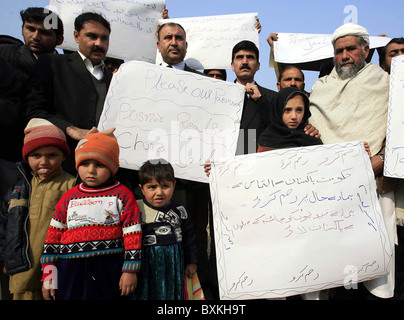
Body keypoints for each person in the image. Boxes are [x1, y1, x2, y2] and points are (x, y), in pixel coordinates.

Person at [309, 23, 392, 299]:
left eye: (351, 49)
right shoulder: (321, 87)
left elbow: (399, 132)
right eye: (339, 50)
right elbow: (310, 126)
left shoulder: (386, 83)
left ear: (366, 50)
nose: (345, 55)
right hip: (329, 192)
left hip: (373, 185)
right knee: (336, 267)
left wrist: (381, 159)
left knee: (374, 266)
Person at [40, 128, 142, 300]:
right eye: (85, 164)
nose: (91, 170)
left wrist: (130, 270)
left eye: (100, 164)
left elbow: (133, 233)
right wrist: (49, 276)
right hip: (69, 270)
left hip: (109, 269)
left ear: (112, 167)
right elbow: (53, 236)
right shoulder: (68, 197)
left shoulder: (122, 195)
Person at [24, 12, 113, 175]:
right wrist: (69, 129)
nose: (98, 43)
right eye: (92, 36)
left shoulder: (114, 79)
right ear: (76, 36)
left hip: (100, 169)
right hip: (60, 168)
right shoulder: (52, 64)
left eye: (104, 38)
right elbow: (34, 111)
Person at [0, 118, 75, 300]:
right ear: (26, 157)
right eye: (36, 155)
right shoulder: (18, 189)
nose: (44, 161)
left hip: (54, 268)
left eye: (51, 155)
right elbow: (4, 225)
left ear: (64, 156)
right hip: (22, 270)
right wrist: (6, 257)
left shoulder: (71, 185)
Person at [133, 159, 198, 300]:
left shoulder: (180, 211)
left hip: (173, 263)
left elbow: (189, 238)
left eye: (165, 186)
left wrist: (191, 261)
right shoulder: (136, 210)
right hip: (146, 263)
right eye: (152, 187)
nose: (159, 192)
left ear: (174, 185)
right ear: (141, 188)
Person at [378, 37, 404, 300]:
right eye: (391, 53)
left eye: (403, 53)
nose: (397, 57)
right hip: (393, 200)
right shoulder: (378, 91)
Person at [0, 7, 64, 85]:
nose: (35, 37)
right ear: (22, 29)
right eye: (31, 29)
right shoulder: (4, 55)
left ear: (59, 39)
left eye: (44, 32)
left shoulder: (69, 68)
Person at [257, 86, 322, 152]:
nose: (294, 116)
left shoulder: (311, 136)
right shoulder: (267, 140)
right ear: (278, 111)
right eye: (287, 110)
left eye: (299, 110)